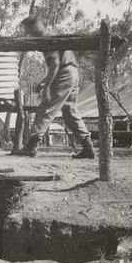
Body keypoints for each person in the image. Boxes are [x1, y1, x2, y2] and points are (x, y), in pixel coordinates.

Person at [14, 15, 95, 159]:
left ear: (35, 26)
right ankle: (88, 146)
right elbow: (54, 65)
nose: (28, 33)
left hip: (64, 72)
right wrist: (42, 82)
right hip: (72, 71)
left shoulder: (46, 38)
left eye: (28, 29)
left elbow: (56, 64)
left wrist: (46, 88)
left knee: (46, 107)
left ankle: (31, 146)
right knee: (70, 111)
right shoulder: (50, 35)